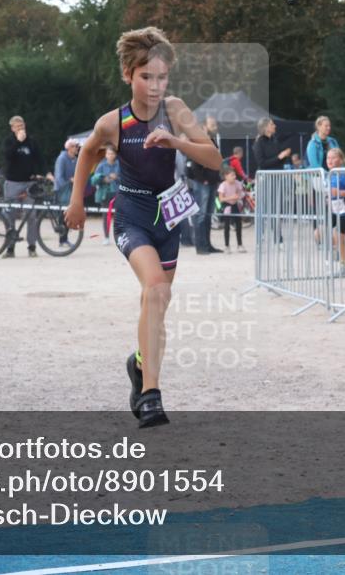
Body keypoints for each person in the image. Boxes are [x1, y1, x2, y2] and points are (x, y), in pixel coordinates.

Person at [64, 26, 222, 428]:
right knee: (154, 286)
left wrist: (176, 142)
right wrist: (77, 201)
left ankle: (138, 364)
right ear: (128, 75)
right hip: (131, 216)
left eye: (162, 77)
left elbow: (214, 159)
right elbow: (86, 155)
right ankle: (151, 395)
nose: (154, 86)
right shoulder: (113, 123)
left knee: (157, 303)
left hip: (167, 220)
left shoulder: (176, 110)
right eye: (145, 77)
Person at [3, 116, 49, 258]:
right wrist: (18, 142)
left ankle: (32, 246)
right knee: (10, 215)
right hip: (13, 182)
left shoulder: (32, 141)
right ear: (12, 128)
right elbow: (7, 156)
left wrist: (45, 172)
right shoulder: (8, 141)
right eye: (17, 126)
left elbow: (39, 158)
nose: (20, 128)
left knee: (31, 215)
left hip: (29, 182)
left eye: (21, 125)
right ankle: (10, 248)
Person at [186, 115, 223, 255]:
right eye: (212, 124)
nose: (215, 125)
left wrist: (217, 177)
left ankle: (208, 245)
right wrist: (203, 179)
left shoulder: (212, 140)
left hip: (212, 181)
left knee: (208, 214)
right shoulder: (197, 141)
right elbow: (194, 162)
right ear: (204, 127)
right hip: (203, 182)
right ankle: (200, 246)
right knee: (201, 214)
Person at [326, 147, 345, 274]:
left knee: (340, 238)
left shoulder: (343, 175)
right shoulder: (329, 175)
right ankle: (344, 264)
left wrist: (339, 192)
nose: (330, 160)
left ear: (341, 160)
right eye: (328, 158)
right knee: (335, 237)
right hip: (334, 210)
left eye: (333, 158)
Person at [92, 144, 121, 244]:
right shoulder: (101, 165)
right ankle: (106, 237)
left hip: (118, 194)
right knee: (106, 216)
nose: (110, 155)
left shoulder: (120, 164)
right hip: (105, 194)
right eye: (108, 153)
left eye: (112, 153)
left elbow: (127, 179)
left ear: (115, 154)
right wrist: (103, 178)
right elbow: (93, 180)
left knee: (119, 216)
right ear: (106, 154)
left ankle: (119, 237)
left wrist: (116, 177)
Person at [54, 139, 80, 248]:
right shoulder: (62, 158)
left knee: (67, 215)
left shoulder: (74, 159)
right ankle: (62, 240)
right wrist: (69, 181)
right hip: (62, 190)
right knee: (63, 216)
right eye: (75, 146)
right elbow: (59, 176)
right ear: (68, 147)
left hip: (70, 190)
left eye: (77, 146)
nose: (77, 148)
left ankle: (64, 239)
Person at [217, 166, 246, 253]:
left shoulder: (237, 183)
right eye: (232, 175)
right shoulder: (223, 185)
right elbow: (221, 199)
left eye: (234, 175)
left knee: (239, 224)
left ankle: (240, 244)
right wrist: (231, 197)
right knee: (227, 226)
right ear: (226, 176)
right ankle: (227, 246)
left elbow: (240, 193)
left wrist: (238, 196)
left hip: (235, 205)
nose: (234, 177)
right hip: (227, 206)